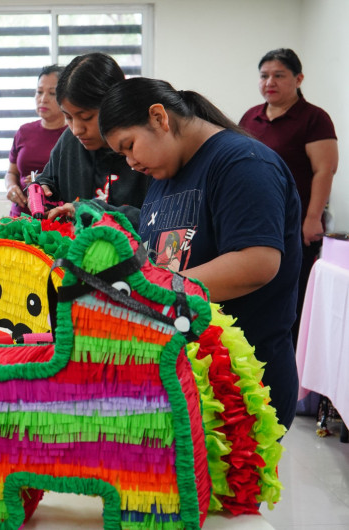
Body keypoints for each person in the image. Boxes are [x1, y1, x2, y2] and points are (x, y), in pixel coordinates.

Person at [98, 77, 302, 430]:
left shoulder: (243, 163)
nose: (130, 162)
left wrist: (151, 287)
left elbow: (258, 262)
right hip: (186, 379)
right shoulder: (165, 175)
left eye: (129, 145)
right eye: (122, 154)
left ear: (159, 117)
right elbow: (162, 258)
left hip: (240, 387)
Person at [239, 48, 338, 345]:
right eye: (264, 76)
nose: (270, 82)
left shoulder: (314, 119)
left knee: (293, 295)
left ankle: (294, 362)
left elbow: (325, 170)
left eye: (279, 75)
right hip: (257, 220)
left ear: (298, 79)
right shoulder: (250, 117)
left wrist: (312, 218)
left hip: (296, 224)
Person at [29, 53, 151, 224]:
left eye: (86, 117)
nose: (77, 130)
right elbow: (49, 179)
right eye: (69, 118)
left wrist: (91, 210)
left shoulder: (145, 149)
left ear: (114, 105)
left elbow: (159, 220)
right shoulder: (69, 141)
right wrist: (41, 188)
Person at [4, 65, 67, 216]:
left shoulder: (73, 136)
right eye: (39, 92)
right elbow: (11, 172)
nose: (43, 99)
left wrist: (48, 180)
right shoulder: (24, 132)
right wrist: (11, 187)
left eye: (52, 93)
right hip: (20, 217)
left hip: (57, 220)